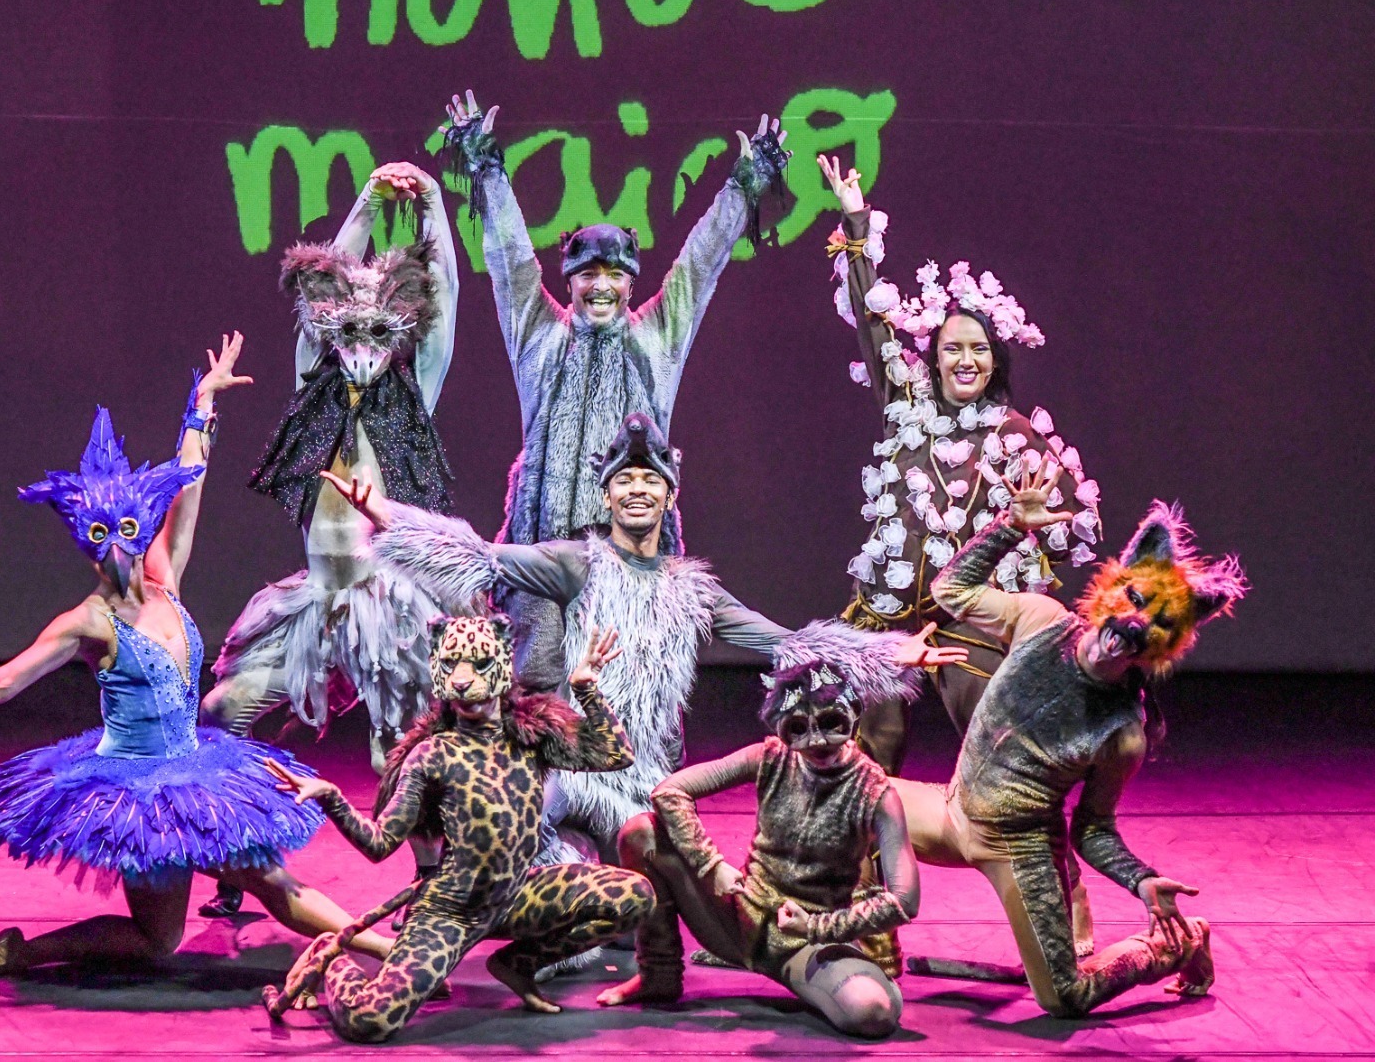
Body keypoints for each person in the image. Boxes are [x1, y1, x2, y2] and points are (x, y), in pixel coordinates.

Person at [0, 334, 391, 973]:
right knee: (162, 938)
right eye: (100, 537)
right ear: (85, 542)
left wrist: (201, 406)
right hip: (139, 792)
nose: (116, 550)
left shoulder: (164, 579)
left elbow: (188, 491)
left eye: (126, 532)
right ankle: (22, 953)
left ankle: (393, 954)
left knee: (268, 885)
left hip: (198, 772)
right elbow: (9, 679)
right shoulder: (90, 621)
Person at [324, 412, 963, 870]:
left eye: (649, 480)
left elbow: (786, 643)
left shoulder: (694, 591)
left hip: (647, 778)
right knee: (539, 852)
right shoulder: (577, 563)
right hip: (573, 768)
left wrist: (889, 653)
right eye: (624, 481)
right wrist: (387, 516)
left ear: (669, 495)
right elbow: (480, 558)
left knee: (648, 891)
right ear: (606, 495)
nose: (637, 490)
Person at [441, 89, 791, 690]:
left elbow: (700, 264)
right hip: (543, 554)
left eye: (614, 275)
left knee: (631, 685)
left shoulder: (655, 339)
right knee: (539, 678)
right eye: (587, 274)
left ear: (631, 284)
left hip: (632, 557)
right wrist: (486, 169)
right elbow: (509, 260)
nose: (600, 286)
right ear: (569, 281)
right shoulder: (540, 336)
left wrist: (745, 185)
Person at [201, 162, 463, 917]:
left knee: (399, 753)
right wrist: (368, 201)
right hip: (316, 606)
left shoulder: (414, 397)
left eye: (380, 331)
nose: (363, 345)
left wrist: (433, 204)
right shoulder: (312, 394)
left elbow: (445, 303)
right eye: (348, 329)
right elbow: (326, 279)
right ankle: (237, 861)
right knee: (224, 708)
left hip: (393, 612)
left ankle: (435, 886)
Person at [891, 462, 1246, 1016]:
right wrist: (1011, 527)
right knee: (843, 797)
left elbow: (1093, 829)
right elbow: (951, 590)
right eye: (1131, 608)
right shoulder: (1042, 622)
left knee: (1064, 996)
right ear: (1110, 597)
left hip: (1020, 849)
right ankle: (859, 947)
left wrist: (1141, 880)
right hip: (949, 811)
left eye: (1150, 629)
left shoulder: (1121, 733)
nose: (1129, 630)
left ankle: (1179, 944)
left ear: (1160, 648)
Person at [818, 156, 1104, 777]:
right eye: (953, 348)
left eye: (979, 349)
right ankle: (866, 838)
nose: (966, 360)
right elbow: (871, 321)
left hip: (970, 614)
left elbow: (1074, 523)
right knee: (873, 744)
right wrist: (856, 222)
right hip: (889, 606)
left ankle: (1009, 827)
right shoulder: (905, 402)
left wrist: (1031, 538)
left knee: (992, 740)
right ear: (935, 355)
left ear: (995, 360)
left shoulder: (1015, 432)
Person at [260, 617, 655, 1042]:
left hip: (516, 893)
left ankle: (518, 964)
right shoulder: (431, 755)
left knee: (634, 896)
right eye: (450, 665)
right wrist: (333, 799)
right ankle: (330, 957)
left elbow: (615, 755)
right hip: (450, 910)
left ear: (502, 665)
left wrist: (586, 690)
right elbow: (379, 844)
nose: (462, 680)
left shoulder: (530, 735)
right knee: (370, 1021)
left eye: (478, 664)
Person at [597, 655, 921, 1038]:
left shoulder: (874, 791)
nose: (817, 742)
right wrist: (710, 864)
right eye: (799, 729)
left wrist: (815, 926)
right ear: (782, 728)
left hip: (807, 942)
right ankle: (659, 973)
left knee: (871, 1013)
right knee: (640, 832)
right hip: (741, 922)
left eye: (831, 724)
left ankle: (863, 980)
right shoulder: (771, 757)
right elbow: (670, 792)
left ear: (854, 715)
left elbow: (904, 900)